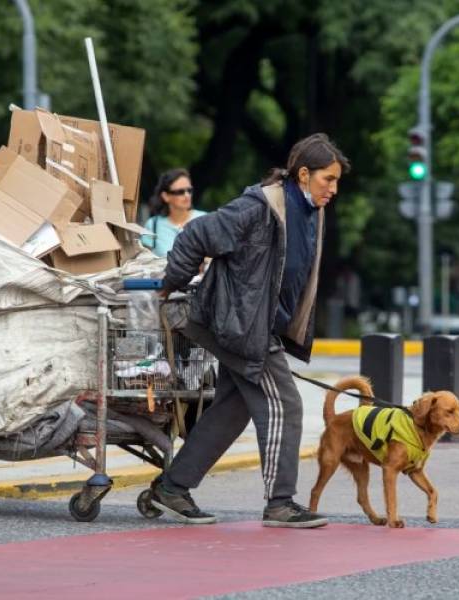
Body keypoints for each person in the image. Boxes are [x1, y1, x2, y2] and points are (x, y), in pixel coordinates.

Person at [150, 133, 350, 528]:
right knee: (285, 404)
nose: (334, 188)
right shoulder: (259, 207)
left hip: (255, 325)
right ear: (304, 174)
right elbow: (196, 235)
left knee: (232, 407)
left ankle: (172, 488)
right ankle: (280, 502)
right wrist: (172, 283)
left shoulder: (310, 211)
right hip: (238, 325)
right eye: (328, 179)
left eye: (337, 180)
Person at [142, 168, 206, 257]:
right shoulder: (152, 225)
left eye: (189, 190)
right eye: (180, 192)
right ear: (165, 196)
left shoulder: (204, 220)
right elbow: (144, 260)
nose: (187, 195)